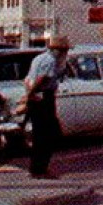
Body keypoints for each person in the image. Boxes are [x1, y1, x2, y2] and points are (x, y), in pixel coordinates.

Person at [23, 35, 71, 179]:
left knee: (39, 133)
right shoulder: (51, 61)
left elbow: (27, 79)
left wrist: (28, 93)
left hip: (36, 97)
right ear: (59, 50)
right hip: (44, 97)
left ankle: (36, 167)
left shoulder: (38, 58)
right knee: (47, 134)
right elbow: (42, 78)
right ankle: (40, 168)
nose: (65, 54)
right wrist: (31, 93)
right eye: (64, 51)